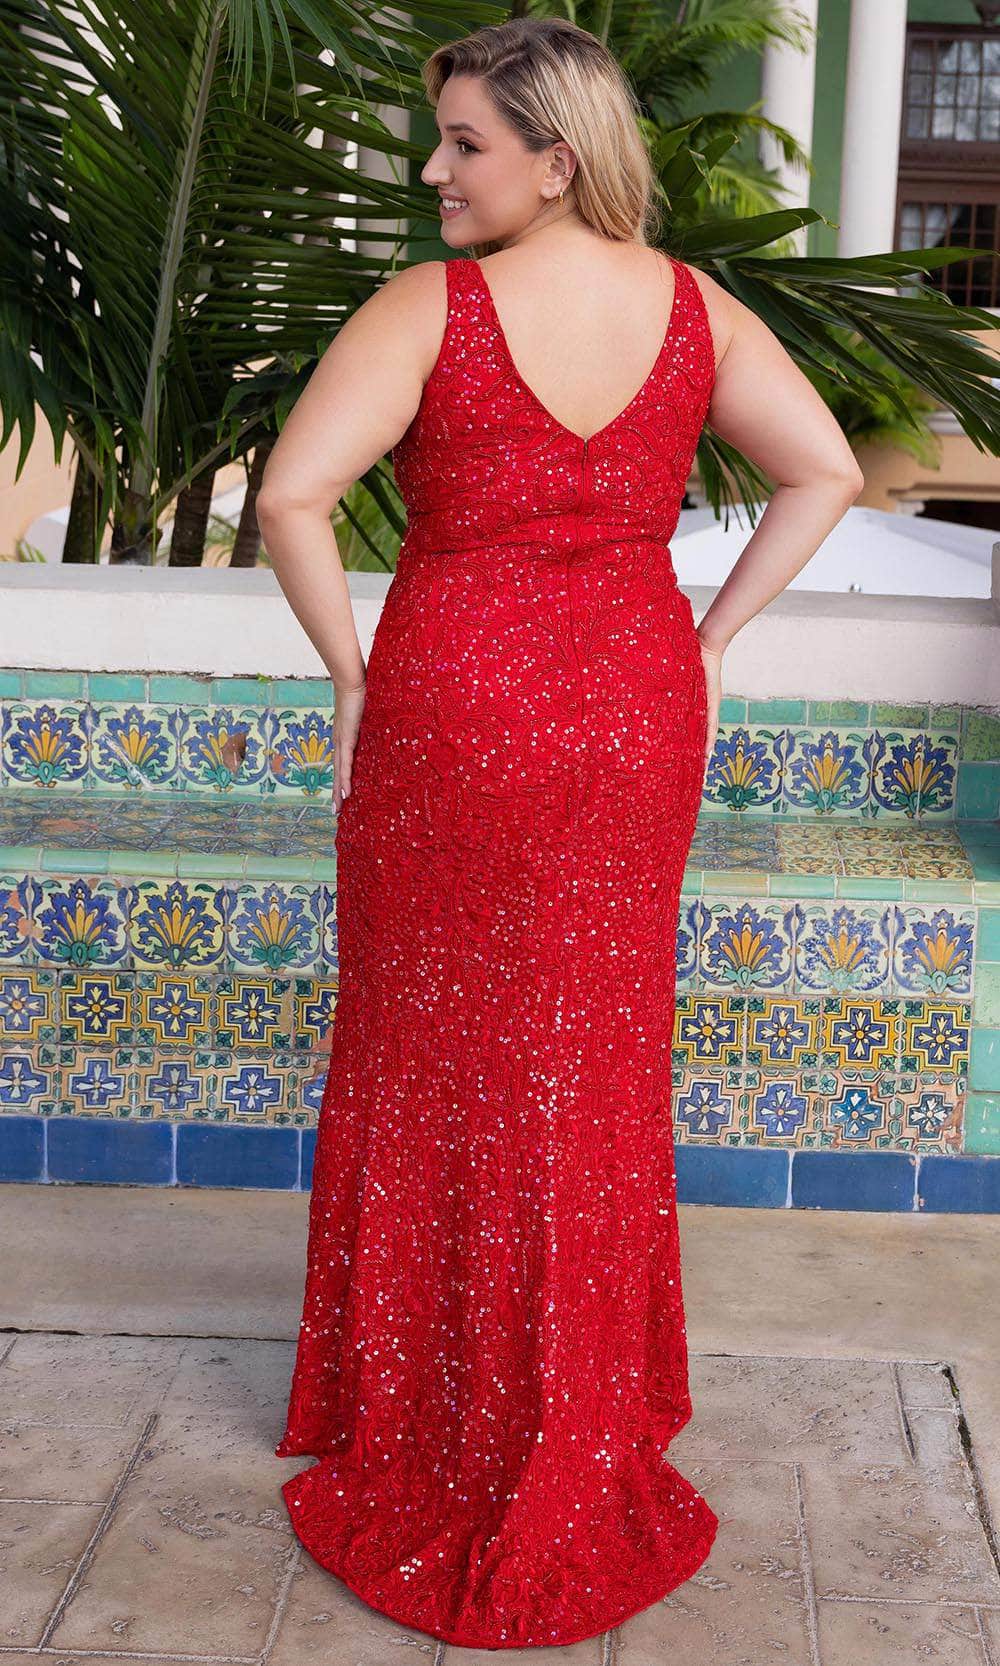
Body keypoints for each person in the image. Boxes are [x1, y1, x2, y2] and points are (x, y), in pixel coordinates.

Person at [256, 16, 863, 1651]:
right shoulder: (696, 311)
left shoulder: (431, 310)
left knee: (437, 1043)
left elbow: (290, 497)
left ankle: (435, 1401)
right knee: (591, 1051)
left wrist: (352, 674)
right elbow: (822, 471)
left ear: (555, 158)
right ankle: (580, 1399)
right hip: (634, 704)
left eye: (463, 142)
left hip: (456, 703)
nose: (433, 169)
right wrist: (713, 637)